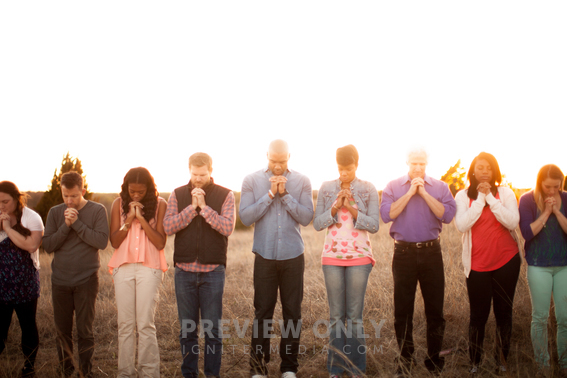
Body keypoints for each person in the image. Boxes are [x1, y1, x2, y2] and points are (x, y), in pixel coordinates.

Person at [240, 139, 314, 378]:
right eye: (273, 161)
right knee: (262, 311)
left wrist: (286, 195)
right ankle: (258, 368)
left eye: (282, 161)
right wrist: (271, 194)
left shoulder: (302, 181)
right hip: (264, 255)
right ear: (267, 156)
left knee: (293, 312)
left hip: (293, 256)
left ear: (289, 157)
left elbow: (306, 217)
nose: (277, 166)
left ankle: (289, 368)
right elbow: (245, 217)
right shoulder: (251, 180)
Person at [379, 147, 456, 376]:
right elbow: (386, 215)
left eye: (422, 163)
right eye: (414, 163)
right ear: (407, 163)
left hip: (432, 253)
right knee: (403, 311)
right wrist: (410, 192)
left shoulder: (440, 187)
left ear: (427, 163)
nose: (418, 168)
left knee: (435, 311)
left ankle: (434, 362)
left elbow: (448, 215)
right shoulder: (393, 186)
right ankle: (405, 360)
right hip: (403, 254)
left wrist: (423, 193)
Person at [163, 153, 235, 378]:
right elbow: (168, 226)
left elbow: (227, 227)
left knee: (213, 331)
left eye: (203, 174)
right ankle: (189, 374)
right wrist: (191, 209)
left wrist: (203, 208)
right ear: (189, 170)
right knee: (187, 331)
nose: (198, 178)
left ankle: (212, 375)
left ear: (211, 171)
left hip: (213, 272)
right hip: (184, 272)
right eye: (194, 174)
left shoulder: (226, 195)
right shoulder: (177, 194)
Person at [313, 145, 380, 378]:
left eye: (349, 169)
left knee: (354, 316)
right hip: (331, 257)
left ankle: (357, 369)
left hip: (359, 257)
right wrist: (334, 206)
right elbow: (317, 223)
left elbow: (374, 224)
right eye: (341, 169)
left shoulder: (368, 188)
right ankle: (335, 369)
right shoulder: (326, 188)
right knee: (335, 317)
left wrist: (350, 208)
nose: (344, 174)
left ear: (357, 166)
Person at [454, 152, 522, 375]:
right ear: (473, 170)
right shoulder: (463, 196)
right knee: (478, 315)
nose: (484, 171)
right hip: (477, 266)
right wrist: (480, 199)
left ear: (494, 171)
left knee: (504, 313)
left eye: (489, 168)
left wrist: (491, 198)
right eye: (480, 167)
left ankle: (502, 360)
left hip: (506, 262)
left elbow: (512, 221)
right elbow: (462, 225)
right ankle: (475, 362)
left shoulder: (505, 193)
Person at [43, 171, 109, 378]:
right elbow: (48, 245)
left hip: (86, 280)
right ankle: (66, 370)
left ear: (83, 190)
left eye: (73, 195)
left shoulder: (97, 210)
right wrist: (66, 226)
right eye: (65, 196)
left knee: (84, 331)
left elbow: (101, 242)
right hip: (60, 281)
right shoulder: (55, 212)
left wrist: (77, 224)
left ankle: (85, 372)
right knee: (62, 332)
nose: (69, 200)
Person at [108, 167, 168, 377]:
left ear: (149, 190)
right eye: (132, 191)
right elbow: (115, 241)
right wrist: (128, 220)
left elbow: (160, 243)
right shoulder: (117, 204)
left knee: (145, 324)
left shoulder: (161, 205)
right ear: (126, 188)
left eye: (140, 192)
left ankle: (149, 373)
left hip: (149, 268)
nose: (135, 195)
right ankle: (125, 373)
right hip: (123, 268)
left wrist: (141, 219)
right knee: (125, 325)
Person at [519, 164, 567, 376]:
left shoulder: (565, 198)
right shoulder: (527, 199)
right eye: (548, 186)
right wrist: (547, 212)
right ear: (540, 183)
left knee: (564, 318)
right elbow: (528, 234)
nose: (551, 191)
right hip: (538, 265)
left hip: (564, 264)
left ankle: (564, 362)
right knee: (540, 317)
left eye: (556, 187)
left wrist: (557, 210)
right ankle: (542, 364)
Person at [0, 181, 44, 377]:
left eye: (5, 201)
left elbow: (31, 246)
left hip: (25, 283)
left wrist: (8, 228)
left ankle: (29, 366)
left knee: (28, 325)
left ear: (17, 199)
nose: (1, 206)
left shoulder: (32, 218)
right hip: (1, 285)